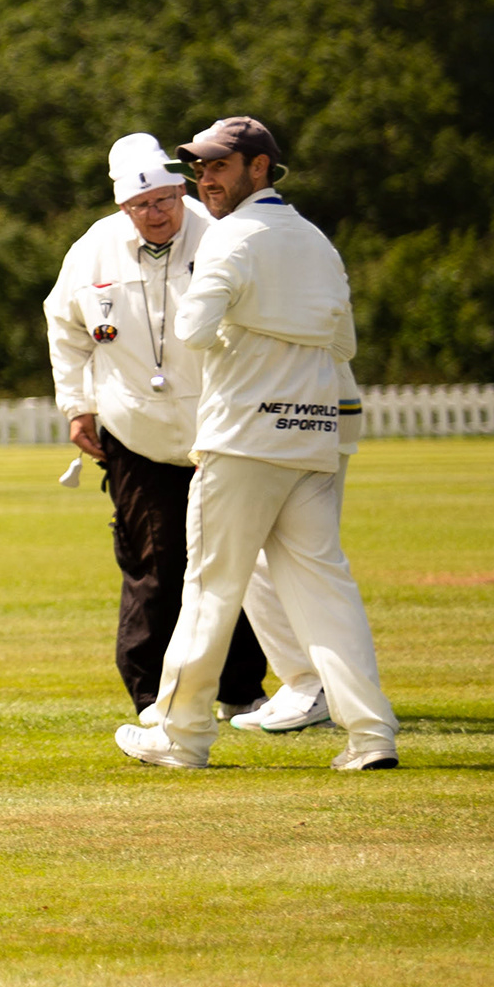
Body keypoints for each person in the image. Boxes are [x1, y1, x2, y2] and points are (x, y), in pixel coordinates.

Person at [118, 116, 400, 773]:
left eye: (219, 166)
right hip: (312, 438)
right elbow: (344, 345)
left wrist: (247, 336)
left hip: (242, 439)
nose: (204, 180)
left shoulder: (231, 240)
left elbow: (193, 327)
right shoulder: (316, 243)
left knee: (212, 586)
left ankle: (181, 736)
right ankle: (371, 735)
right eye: (200, 167)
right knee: (326, 592)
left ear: (261, 168)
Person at [44, 133, 311, 726]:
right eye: (142, 206)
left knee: (232, 560)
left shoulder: (222, 235)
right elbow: (64, 328)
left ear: (180, 190)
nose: (157, 214)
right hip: (134, 431)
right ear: (121, 208)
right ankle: (150, 698)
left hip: (222, 427)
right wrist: (77, 406)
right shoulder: (92, 250)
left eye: (166, 199)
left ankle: (244, 690)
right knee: (156, 564)